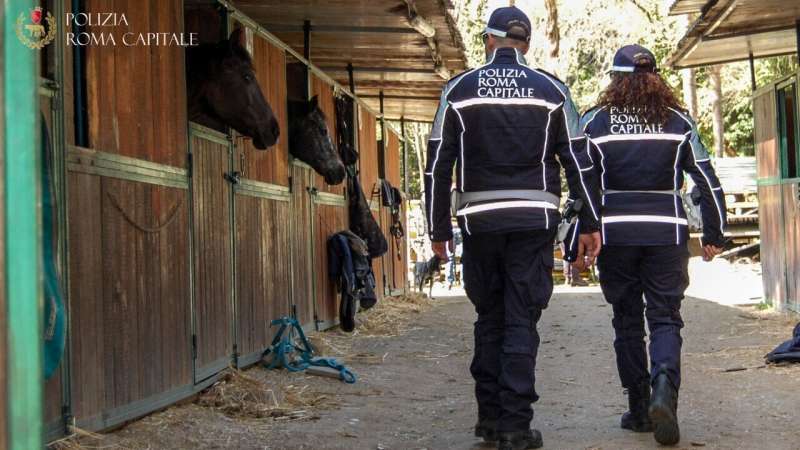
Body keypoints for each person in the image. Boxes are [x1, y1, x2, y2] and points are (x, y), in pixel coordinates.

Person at [424, 6, 602, 449]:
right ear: (526, 42)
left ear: (488, 39)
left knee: (490, 316)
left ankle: (488, 418)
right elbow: (577, 161)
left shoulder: (458, 91)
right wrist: (591, 221)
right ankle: (515, 426)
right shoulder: (553, 90)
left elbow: (436, 166)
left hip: (480, 225)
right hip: (533, 221)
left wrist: (437, 228)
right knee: (521, 318)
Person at [565, 44, 727, 446]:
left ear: (615, 80)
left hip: (615, 234)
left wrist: (575, 240)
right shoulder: (677, 122)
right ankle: (664, 391)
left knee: (626, 321)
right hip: (666, 233)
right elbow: (707, 179)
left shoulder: (594, 122)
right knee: (665, 317)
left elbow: (582, 185)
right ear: (656, 78)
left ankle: (639, 410)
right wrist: (713, 233)